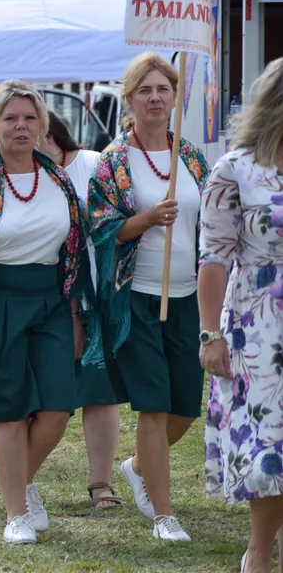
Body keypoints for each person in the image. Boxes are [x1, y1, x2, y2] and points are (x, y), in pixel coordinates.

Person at [0, 80, 97, 544]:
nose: (21, 126)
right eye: (11, 118)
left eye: (30, 118)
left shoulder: (60, 180)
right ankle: (15, 514)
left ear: (43, 125)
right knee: (10, 412)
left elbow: (71, 255)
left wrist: (74, 315)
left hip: (50, 303)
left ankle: (21, 483)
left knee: (58, 409)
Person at [89, 52, 208, 541]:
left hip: (187, 297)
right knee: (153, 405)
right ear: (130, 99)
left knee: (184, 406)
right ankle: (164, 513)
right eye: (146, 90)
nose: (156, 98)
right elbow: (99, 229)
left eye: (163, 89)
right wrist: (145, 219)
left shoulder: (192, 157)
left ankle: (138, 466)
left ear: (176, 98)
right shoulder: (114, 161)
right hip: (135, 297)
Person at [199, 59, 283, 573]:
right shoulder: (236, 167)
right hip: (258, 324)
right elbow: (213, 258)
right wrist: (211, 335)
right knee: (268, 442)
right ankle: (259, 551)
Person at [38, 112, 122, 510]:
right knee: (41, 393)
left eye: (30, 123)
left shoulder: (93, 163)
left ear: (50, 130)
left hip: (96, 292)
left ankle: (101, 484)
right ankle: (21, 480)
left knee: (99, 388)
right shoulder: (21, 174)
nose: (19, 131)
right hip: (42, 294)